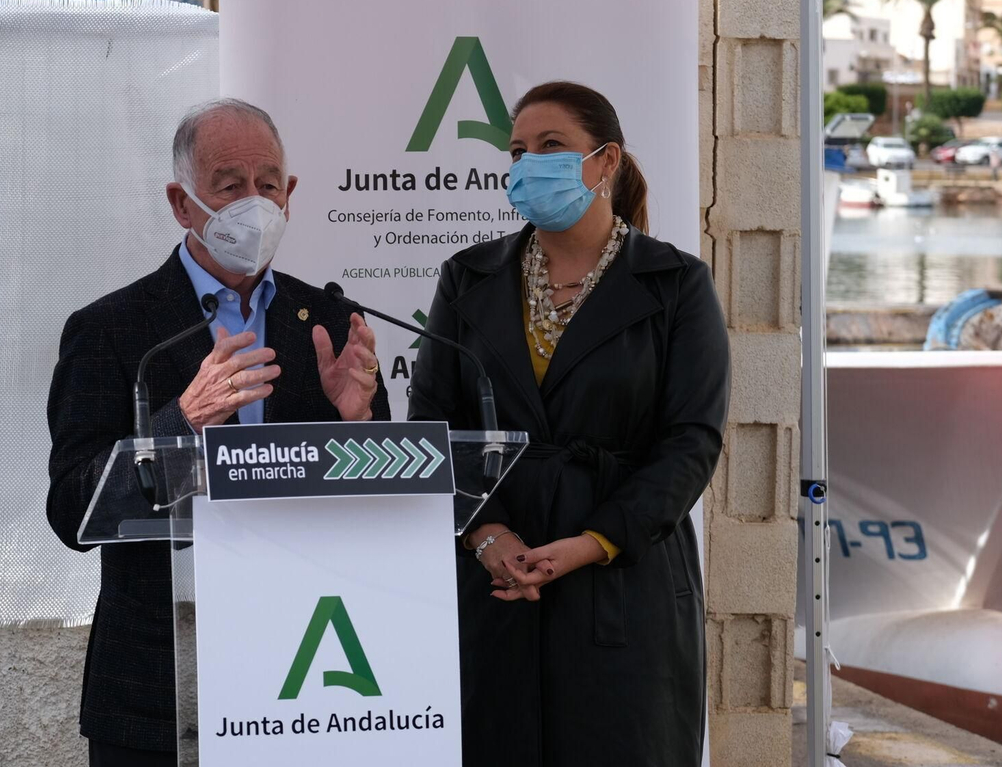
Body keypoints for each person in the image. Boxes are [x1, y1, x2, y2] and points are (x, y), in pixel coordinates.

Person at [46, 98, 391, 766]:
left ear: (290, 195)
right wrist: (181, 420)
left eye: (267, 184)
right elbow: (69, 509)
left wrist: (359, 423)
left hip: (308, 673)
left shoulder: (328, 317)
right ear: (181, 202)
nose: (252, 202)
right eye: (229, 186)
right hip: (159, 683)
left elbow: (382, 505)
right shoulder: (111, 329)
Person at [409, 81, 729, 766]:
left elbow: (691, 441)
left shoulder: (677, 284)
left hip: (623, 584)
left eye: (550, 147)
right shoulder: (467, 277)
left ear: (606, 160)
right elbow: (434, 425)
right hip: (497, 581)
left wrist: (590, 542)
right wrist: (488, 534)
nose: (527, 165)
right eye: (517, 150)